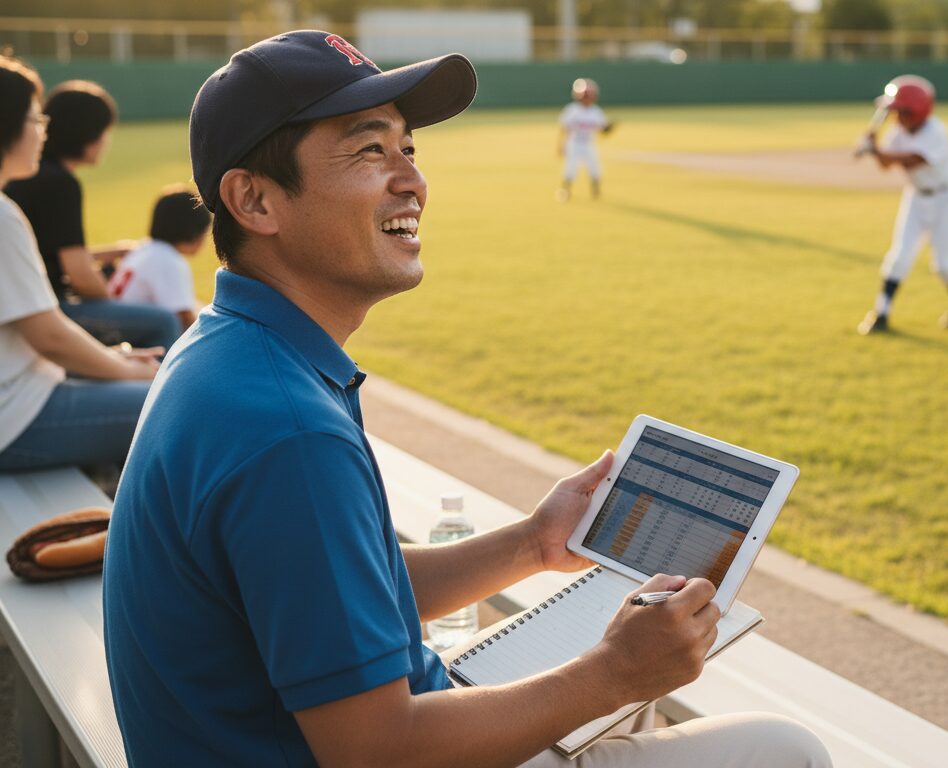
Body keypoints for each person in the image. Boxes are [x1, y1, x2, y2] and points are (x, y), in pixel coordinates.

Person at [103, 31, 830, 768]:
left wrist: (534, 543)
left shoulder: (234, 352)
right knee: (783, 747)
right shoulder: (288, 429)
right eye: (368, 151)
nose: (410, 179)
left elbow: (347, 589)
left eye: (408, 149)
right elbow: (376, 750)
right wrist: (612, 671)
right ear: (254, 199)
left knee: (628, 711)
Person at [0, 56, 159, 474]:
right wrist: (126, 371)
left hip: (28, 390)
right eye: (36, 119)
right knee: (173, 401)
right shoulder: (2, 216)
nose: (42, 132)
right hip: (15, 418)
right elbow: (49, 337)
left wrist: (117, 360)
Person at [4, 80, 180, 350]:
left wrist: (108, 252)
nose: (106, 141)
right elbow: (80, 275)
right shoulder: (60, 183)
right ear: (86, 133)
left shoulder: (28, 176)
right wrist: (113, 300)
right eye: (104, 131)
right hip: (51, 308)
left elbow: (46, 253)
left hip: (30, 303)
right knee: (163, 321)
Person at [857, 75, 948, 334]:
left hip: (946, 198)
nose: (897, 117)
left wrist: (875, 150)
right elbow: (887, 165)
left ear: (918, 110)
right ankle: (881, 313)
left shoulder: (935, 131)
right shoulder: (898, 131)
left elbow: (911, 160)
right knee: (898, 257)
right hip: (916, 196)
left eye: (902, 111)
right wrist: (875, 149)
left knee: (944, 264)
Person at [109, 184, 211, 332]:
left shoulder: (145, 249)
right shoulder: (168, 261)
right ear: (194, 232)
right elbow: (184, 318)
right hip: (130, 334)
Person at [557, 77, 613, 202]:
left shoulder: (596, 111)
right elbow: (565, 128)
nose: (588, 99)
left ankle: (596, 190)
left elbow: (602, 130)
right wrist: (561, 145)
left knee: (595, 167)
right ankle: (565, 190)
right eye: (585, 96)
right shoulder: (572, 110)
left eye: (590, 96)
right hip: (574, 143)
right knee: (571, 168)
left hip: (589, 143)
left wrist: (608, 128)